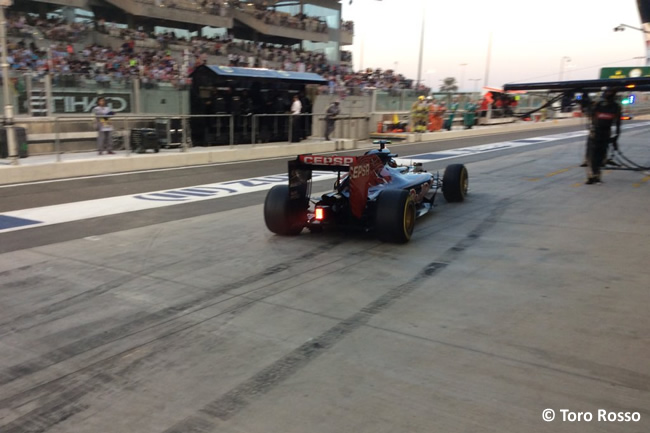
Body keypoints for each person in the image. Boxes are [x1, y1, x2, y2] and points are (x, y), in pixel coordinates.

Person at [584, 87, 621, 185]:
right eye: (608, 91)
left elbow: (618, 122)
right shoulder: (597, 104)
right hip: (595, 133)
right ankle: (591, 176)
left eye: (611, 92)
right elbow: (589, 115)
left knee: (601, 156)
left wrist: (616, 136)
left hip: (606, 133)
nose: (609, 94)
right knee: (592, 156)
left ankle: (597, 176)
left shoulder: (616, 106)